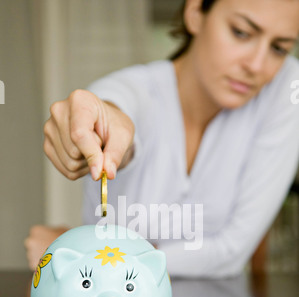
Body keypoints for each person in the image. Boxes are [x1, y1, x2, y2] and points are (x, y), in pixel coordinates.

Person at [25, 0, 299, 278]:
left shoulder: (285, 88)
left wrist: (87, 252)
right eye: (241, 32)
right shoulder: (134, 91)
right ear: (195, 13)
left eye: (279, 48)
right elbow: (115, 109)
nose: (256, 65)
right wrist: (104, 126)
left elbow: (232, 251)